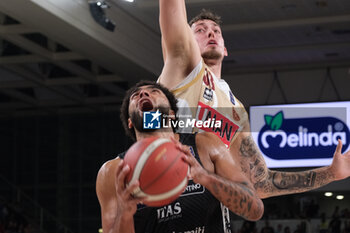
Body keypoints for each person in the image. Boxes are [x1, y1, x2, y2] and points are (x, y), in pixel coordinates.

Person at [158, 0, 350, 199]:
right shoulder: (181, 64)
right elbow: (172, 8)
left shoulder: (236, 110)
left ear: (225, 49)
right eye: (200, 30)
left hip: (211, 212)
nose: (211, 33)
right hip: (168, 196)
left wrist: (331, 173)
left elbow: (260, 183)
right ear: (187, 39)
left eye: (216, 30)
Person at [96, 81, 264, 233]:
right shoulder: (112, 171)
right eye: (135, 95)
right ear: (130, 121)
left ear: (171, 114)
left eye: (154, 91)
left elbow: (255, 209)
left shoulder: (205, 145)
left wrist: (206, 178)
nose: (143, 94)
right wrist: (125, 214)